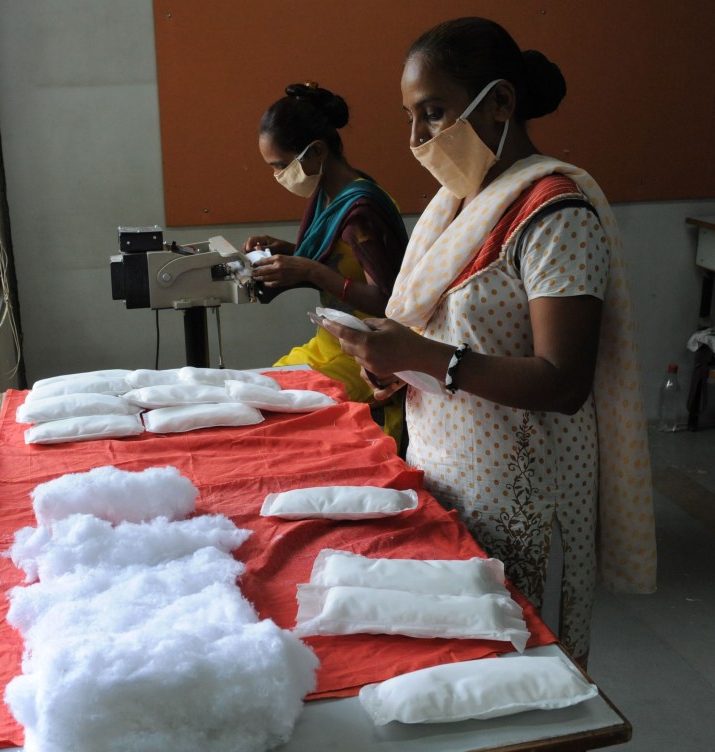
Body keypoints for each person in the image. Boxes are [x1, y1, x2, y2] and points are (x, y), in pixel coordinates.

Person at [319, 18, 657, 670]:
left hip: (524, 499)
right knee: (459, 664)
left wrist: (422, 358)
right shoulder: (454, 208)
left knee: (517, 676)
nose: (417, 138)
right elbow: (438, 335)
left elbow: (562, 381)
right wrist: (391, 363)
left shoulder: (555, 213)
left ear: (500, 102)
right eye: (409, 117)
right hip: (448, 475)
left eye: (433, 113)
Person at [245, 83, 408, 431]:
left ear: (316, 151)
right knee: (256, 388)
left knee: (274, 413)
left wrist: (311, 271)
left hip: (366, 352)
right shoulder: (330, 197)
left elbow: (386, 300)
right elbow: (339, 257)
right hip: (330, 343)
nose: (278, 177)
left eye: (281, 166)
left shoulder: (362, 210)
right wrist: (287, 252)